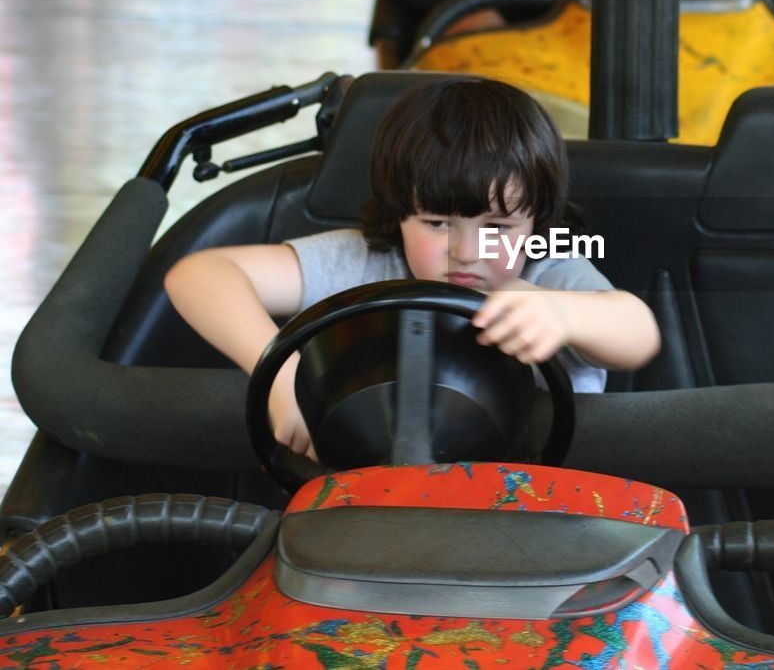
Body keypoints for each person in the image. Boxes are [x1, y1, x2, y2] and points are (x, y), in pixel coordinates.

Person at [165, 78, 661, 459]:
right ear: (399, 211)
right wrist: (278, 376)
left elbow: (637, 332)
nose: (466, 252)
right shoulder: (363, 263)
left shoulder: (549, 277)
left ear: (536, 220)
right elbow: (199, 275)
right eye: (437, 222)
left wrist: (565, 317)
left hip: (536, 532)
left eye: (498, 228)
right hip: (368, 515)